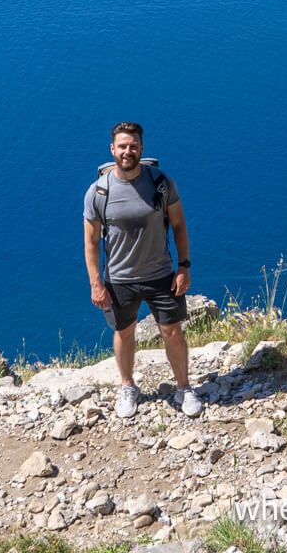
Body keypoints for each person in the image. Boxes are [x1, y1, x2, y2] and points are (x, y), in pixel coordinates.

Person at [82, 121, 201, 418]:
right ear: (112, 149)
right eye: (122, 146)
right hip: (119, 278)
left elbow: (179, 226)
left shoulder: (161, 183)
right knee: (124, 332)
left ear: (141, 149)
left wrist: (184, 267)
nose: (127, 151)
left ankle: (184, 387)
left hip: (160, 273)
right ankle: (127, 386)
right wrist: (96, 283)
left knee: (172, 331)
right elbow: (91, 242)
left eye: (133, 146)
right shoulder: (98, 192)